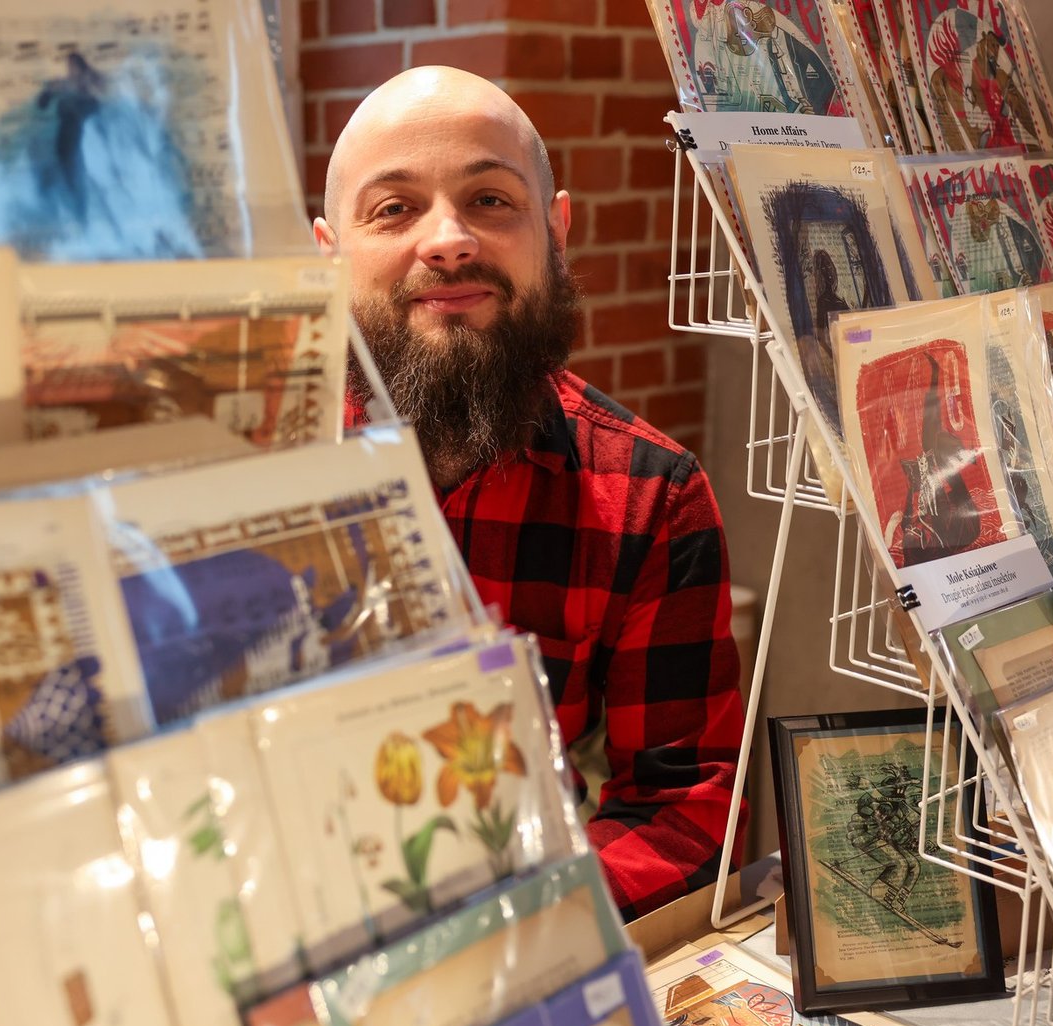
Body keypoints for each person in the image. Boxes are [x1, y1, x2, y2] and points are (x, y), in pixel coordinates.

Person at [314, 66, 745, 918]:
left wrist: (521, 927)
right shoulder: (241, 468)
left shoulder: (651, 500)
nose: (448, 241)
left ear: (555, 229)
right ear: (329, 254)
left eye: (490, 200)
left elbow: (681, 806)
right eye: (394, 208)